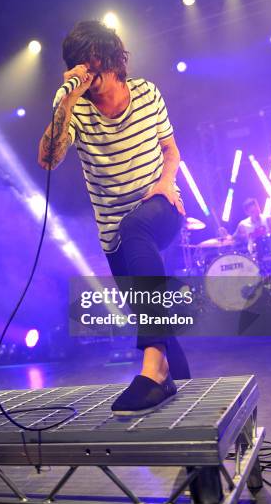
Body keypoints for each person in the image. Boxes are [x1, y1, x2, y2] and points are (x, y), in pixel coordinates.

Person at [38, 20, 190, 415]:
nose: (84, 72)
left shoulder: (145, 92)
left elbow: (171, 150)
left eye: (89, 62)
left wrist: (165, 182)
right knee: (155, 320)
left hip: (159, 210)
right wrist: (65, 104)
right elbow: (48, 160)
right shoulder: (78, 110)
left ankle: (150, 366)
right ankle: (199, 446)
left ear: (108, 58)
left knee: (137, 225)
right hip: (116, 236)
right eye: (76, 65)